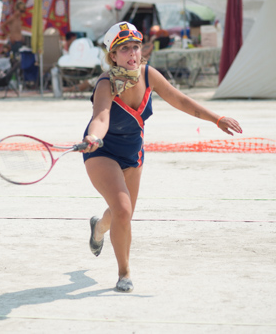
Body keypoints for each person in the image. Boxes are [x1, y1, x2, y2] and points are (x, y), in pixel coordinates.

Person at [81, 22, 242, 293]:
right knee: (123, 211)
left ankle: (98, 228)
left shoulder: (148, 74)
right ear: (113, 56)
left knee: (122, 213)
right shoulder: (105, 84)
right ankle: (124, 273)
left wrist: (217, 118)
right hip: (102, 152)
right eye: (124, 50)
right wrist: (93, 137)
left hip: (134, 154)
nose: (132, 54)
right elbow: (101, 117)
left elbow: (180, 100)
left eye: (136, 47)